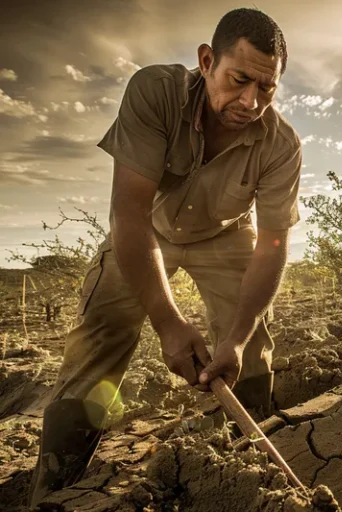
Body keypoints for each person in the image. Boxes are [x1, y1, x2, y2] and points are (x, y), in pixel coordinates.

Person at [28, 7, 302, 506]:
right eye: (240, 80)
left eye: (267, 89)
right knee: (102, 334)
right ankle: (54, 491)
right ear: (205, 61)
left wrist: (236, 340)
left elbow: (273, 243)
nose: (251, 101)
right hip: (145, 230)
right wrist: (168, 322)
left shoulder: (281, 143)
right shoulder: (154, 91)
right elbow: (128, 216)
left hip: (225, 235)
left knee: (253, 345)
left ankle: (249, 479)